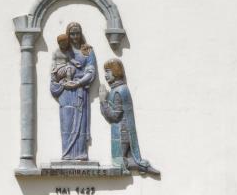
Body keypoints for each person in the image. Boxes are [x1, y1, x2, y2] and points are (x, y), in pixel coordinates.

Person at [99, 58, 160, 175]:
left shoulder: (118, 91)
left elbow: (114, 116)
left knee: (119, 163)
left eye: (107, 71)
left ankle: (142, 166)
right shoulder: (119, 89)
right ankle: (141, 166)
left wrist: (103, 101)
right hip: (123, 132)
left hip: (122, 133)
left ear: (116, 71)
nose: (105, 75)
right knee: (120, 162)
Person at [49, 22, 96, 160]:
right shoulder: (63, 51)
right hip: (65, 92)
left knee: (80, 124)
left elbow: (91, 72)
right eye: (72, 34)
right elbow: (54, 72)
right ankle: (67, 153)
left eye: (77, 33)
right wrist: (62, 81)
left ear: (81, 34)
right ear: (68, 35)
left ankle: (80, 153)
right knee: (67, 123)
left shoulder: (87, 51)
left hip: (80, 90)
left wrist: (78, 82)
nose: (75, 36)